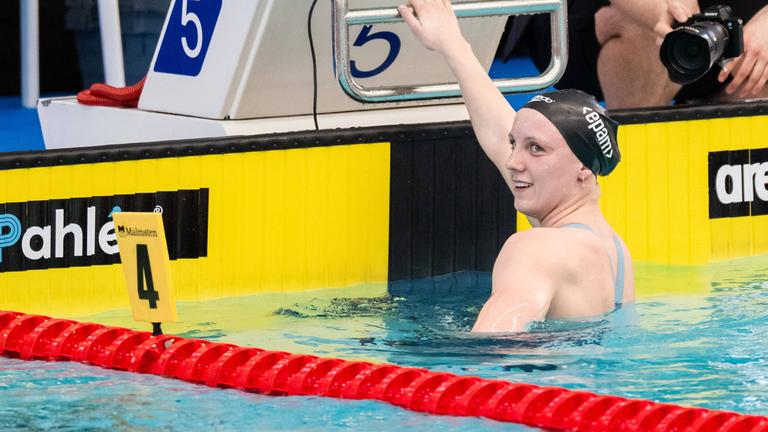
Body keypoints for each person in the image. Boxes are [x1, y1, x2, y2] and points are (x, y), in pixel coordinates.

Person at [397, 0, 635, 332]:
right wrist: (452, 43)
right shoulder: (615, 254)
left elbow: (491, 349)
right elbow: (499, 134)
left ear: (582, 168)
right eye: (515, 144)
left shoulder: (534, 249)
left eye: (536, 149)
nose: (512, 161)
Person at [597, 0, 768, 108]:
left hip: (735, 56)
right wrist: (671, 17)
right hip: (654, 47)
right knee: (646, 33)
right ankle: (634, 152)